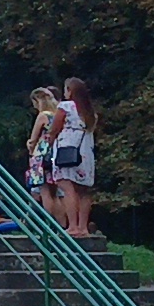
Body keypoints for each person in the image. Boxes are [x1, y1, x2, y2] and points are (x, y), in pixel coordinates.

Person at [48, 79, 100, 239]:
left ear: (70, 90)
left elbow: (54, 129)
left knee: (66, 186)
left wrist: (49, 142)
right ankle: (83, 227)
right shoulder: (90, 112)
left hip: (67, 150)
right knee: (83, 190)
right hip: (85, 152)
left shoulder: (66, 106)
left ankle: (72, 226)